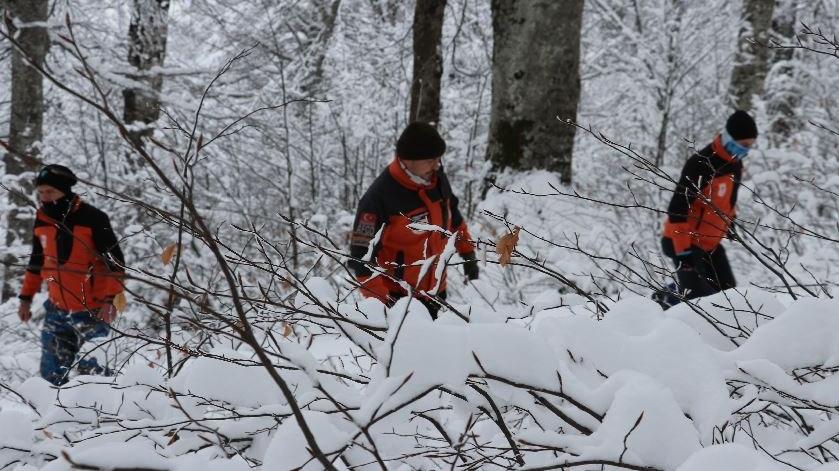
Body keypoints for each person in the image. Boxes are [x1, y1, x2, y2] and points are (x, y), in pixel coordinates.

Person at [348, 122, 479, 318]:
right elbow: (361, 259)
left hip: (437, 291)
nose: (436, 165)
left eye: (438, 159)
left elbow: (453, 217)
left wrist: (468, 253)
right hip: (400, 301)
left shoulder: (437, 180)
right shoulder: (378, 198)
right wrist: (384, 307)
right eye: (429, 160)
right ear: (407, 160)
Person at [17, 164, 125, 385]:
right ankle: (53, 417)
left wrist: (110, 300)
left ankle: (103, 418)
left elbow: (116, 264)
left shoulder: (94, 218)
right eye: (41, 192)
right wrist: (25, 299)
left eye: (51, 192)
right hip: (57, 310)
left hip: (93, 311)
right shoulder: (41, 219)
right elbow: (36, 262)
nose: (45, 197)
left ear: (65, 190)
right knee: (51, 376)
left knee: (94, 375)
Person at [657, 110, 757, 307]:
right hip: (682, 242)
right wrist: (684, 253)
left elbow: (729, 202)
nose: (746, 151)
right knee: (699, 300)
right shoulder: (700, 164)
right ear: (730, 137)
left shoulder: (735, 165)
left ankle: (675, 291)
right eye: (743, 145)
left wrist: (730, 224)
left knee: (729, 294)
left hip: (709, 244)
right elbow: (677, 210)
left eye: (750, 147)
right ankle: (661, 303)